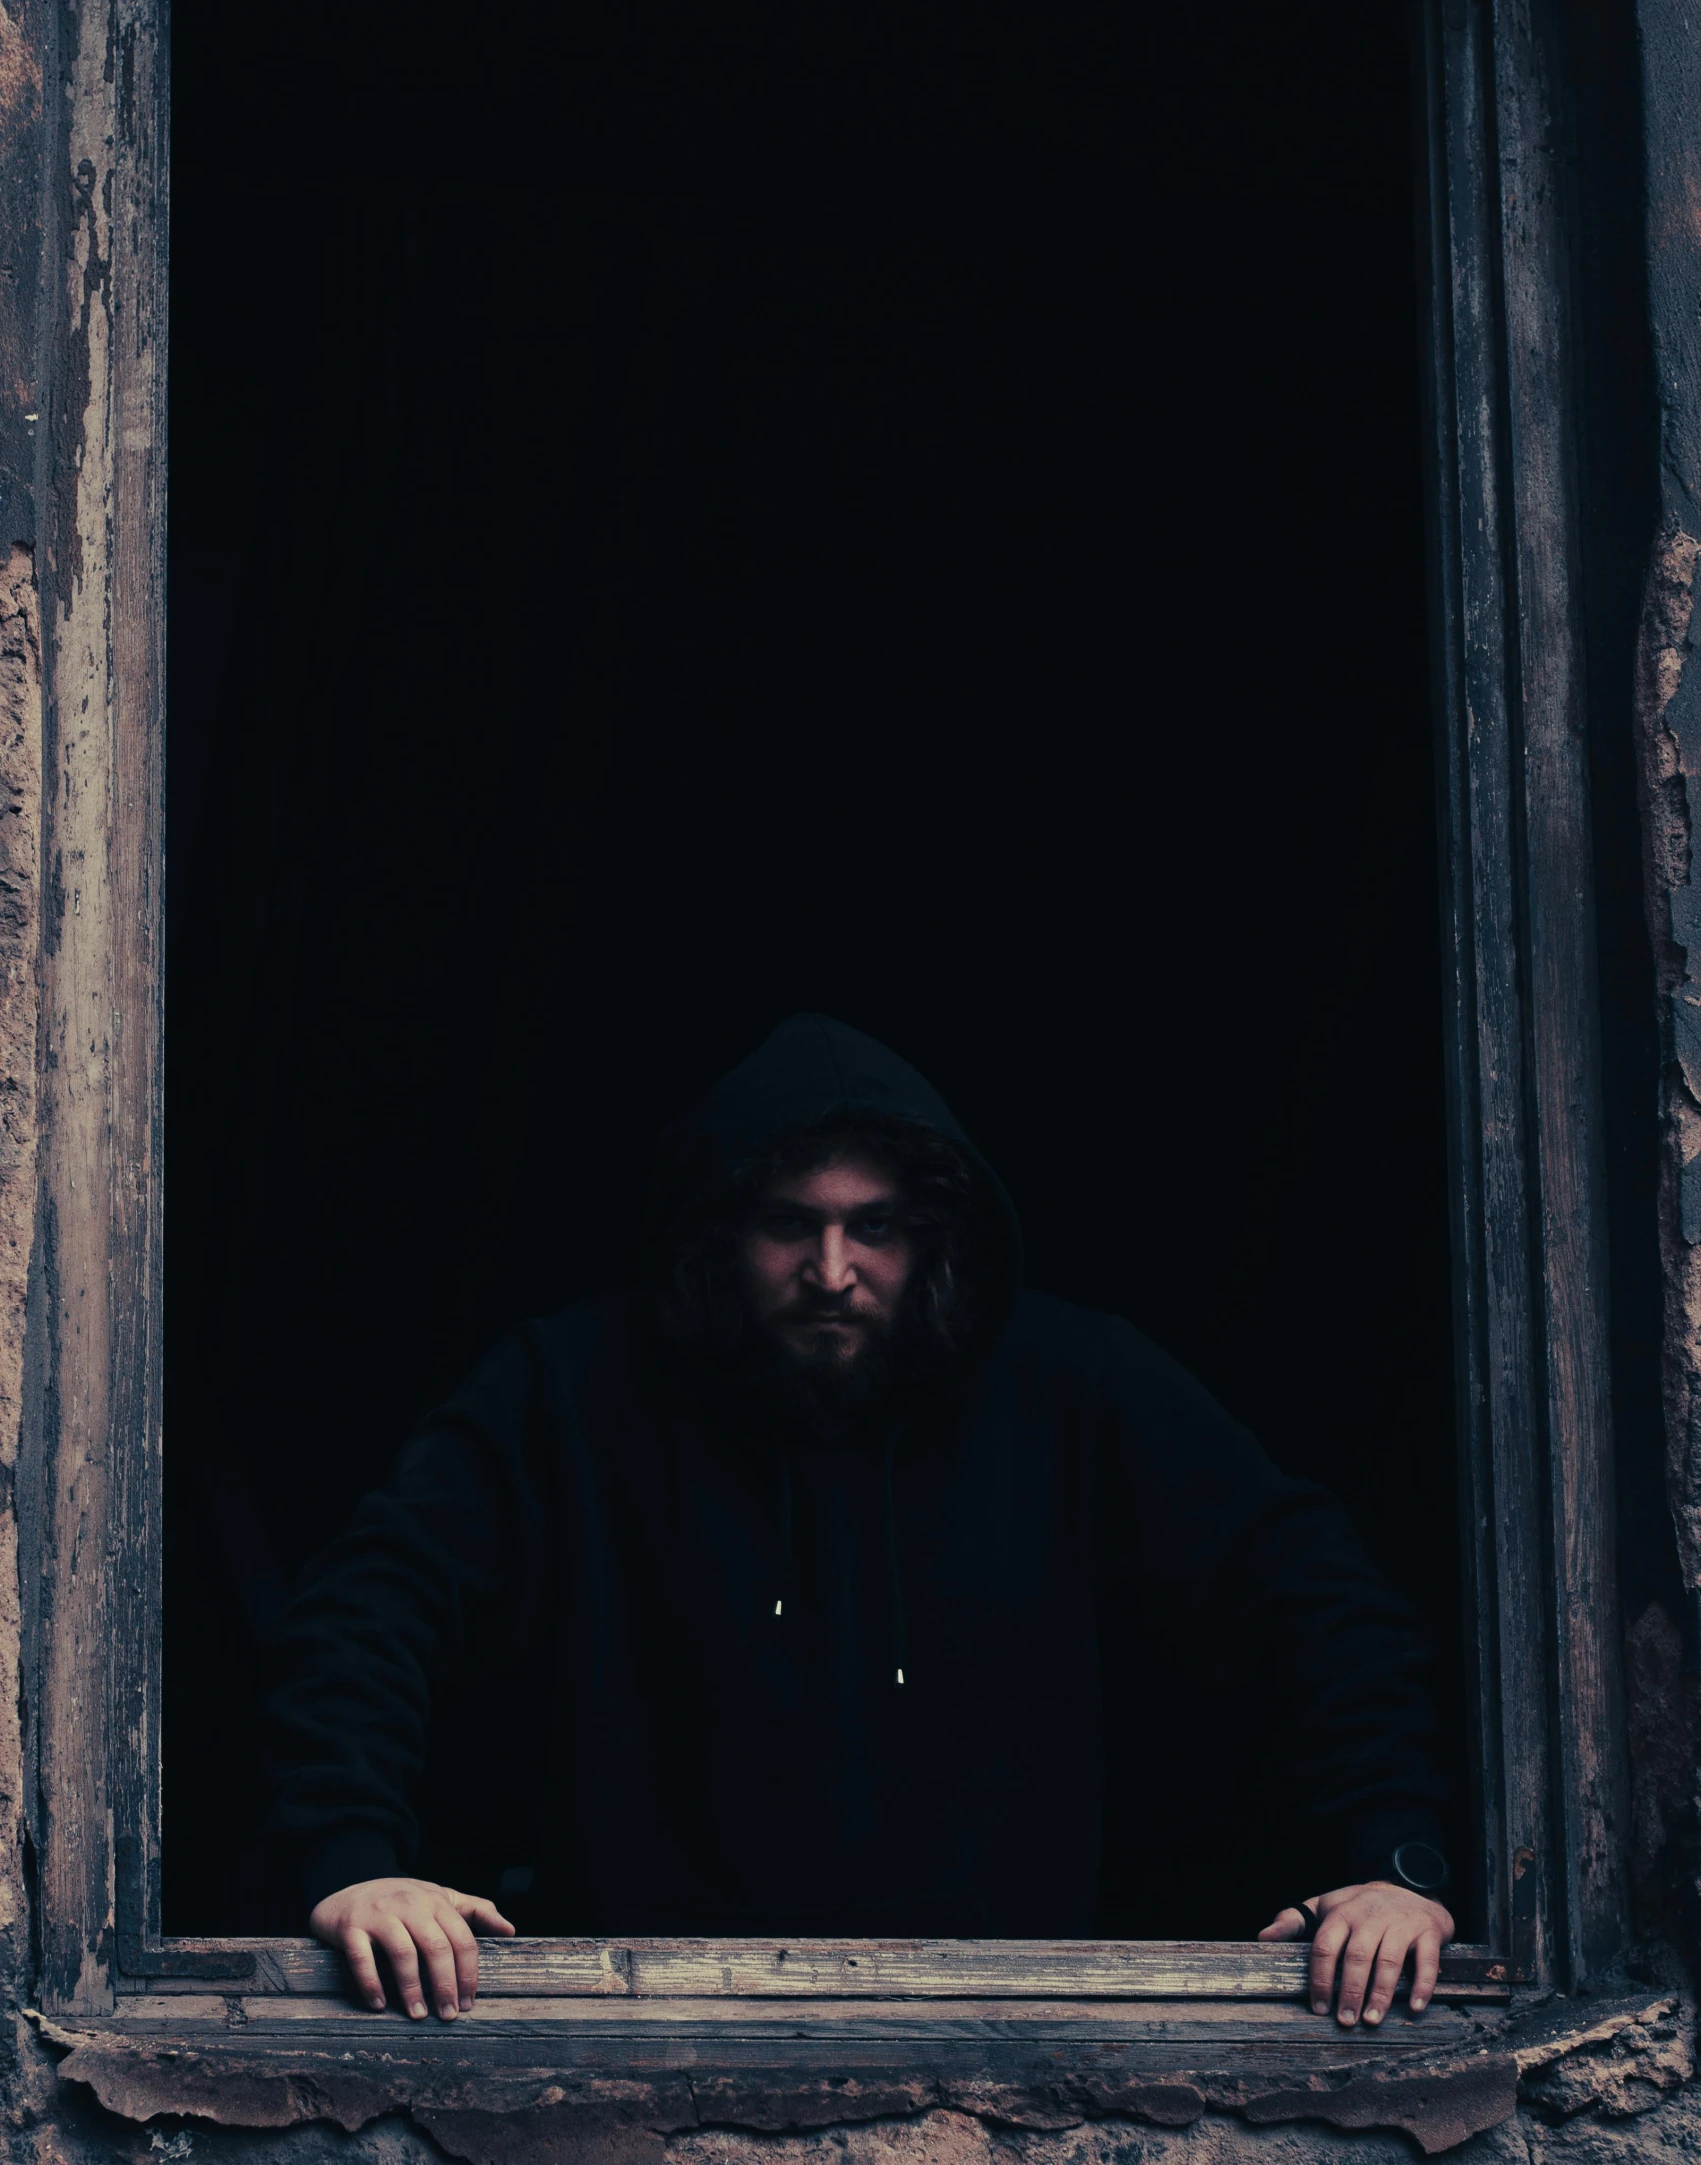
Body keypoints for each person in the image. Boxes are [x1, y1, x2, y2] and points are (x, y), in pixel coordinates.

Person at [266, 1014, 1455, 2029]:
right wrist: (355, 1861)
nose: (831, 1270)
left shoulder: (1075, 1381)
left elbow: (1314, 1594)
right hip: (635, 2038)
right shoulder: (572, 1386)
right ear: (722, 1229)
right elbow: (372, 1601)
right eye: (791, 1223)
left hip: (1018, 2046)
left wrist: (1394, 1865)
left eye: (872, 1226)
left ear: (929, 1234)